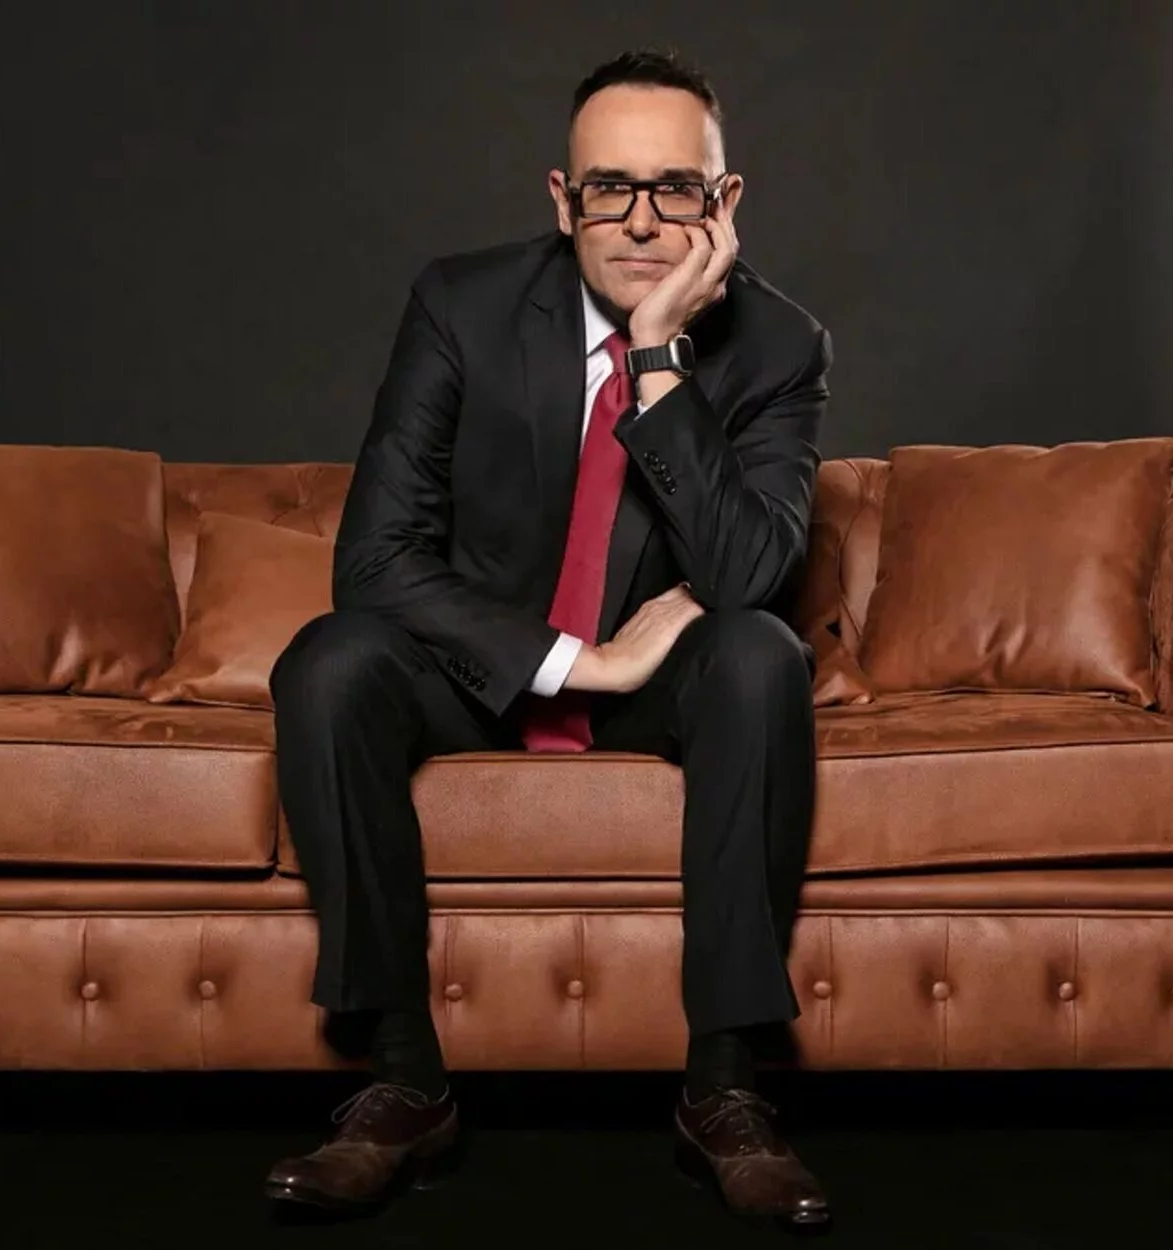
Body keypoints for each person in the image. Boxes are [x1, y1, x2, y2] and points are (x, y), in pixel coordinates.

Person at [265, 48, 833, 1229]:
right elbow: (373, 558)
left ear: (724, 201)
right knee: (329, 660)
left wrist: (660, 356)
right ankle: (403, 1081)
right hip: (484, 673)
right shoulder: (462, 305)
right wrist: (578, 658)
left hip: (662, 689)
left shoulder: (778, 345)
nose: (641, 221)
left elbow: (744, 579)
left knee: (757, 655)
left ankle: (724, 1089)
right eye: (609, 187)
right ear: (562, 199)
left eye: (675, 188)